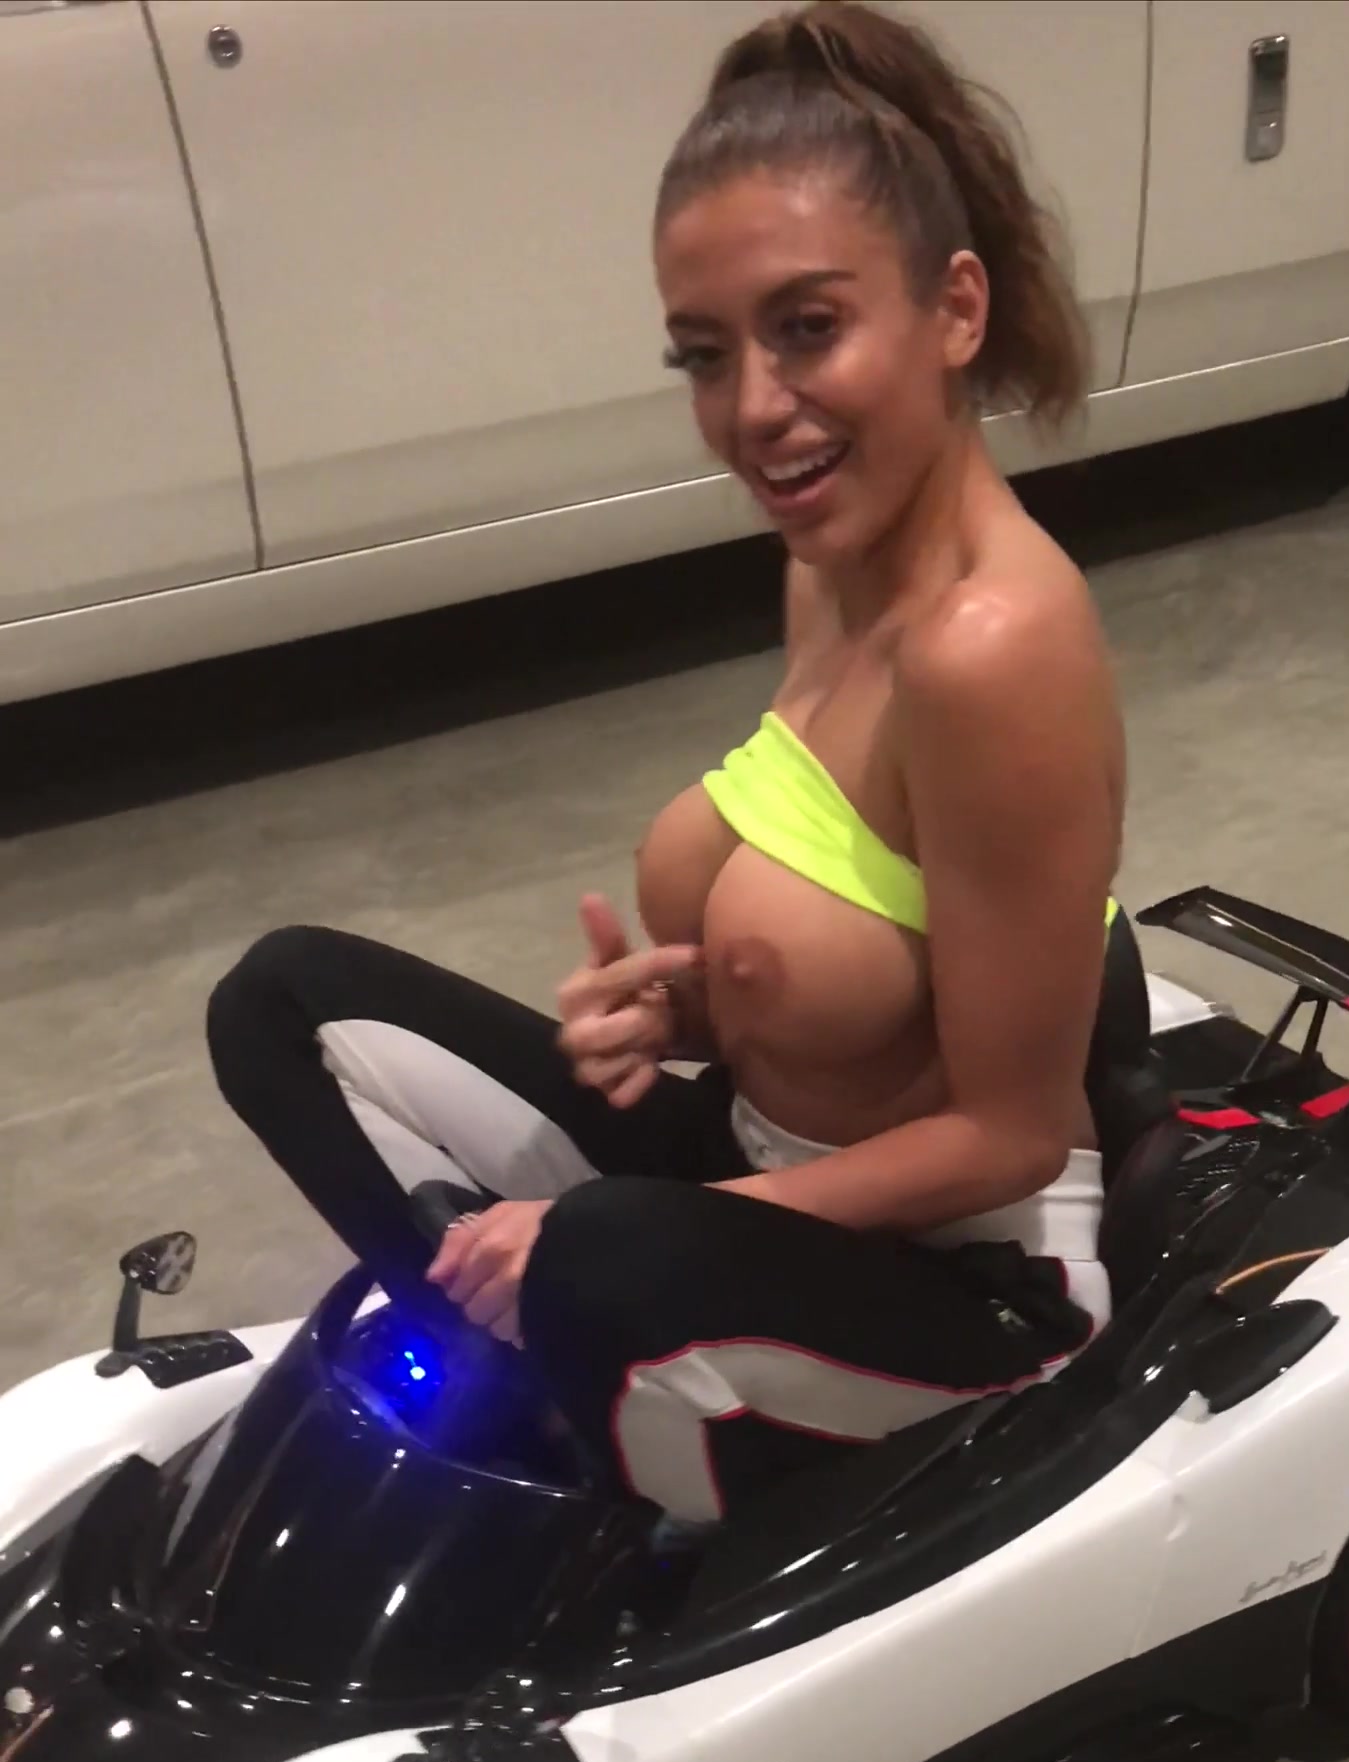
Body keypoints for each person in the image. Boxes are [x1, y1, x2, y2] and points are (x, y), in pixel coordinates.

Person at [208, 0, 1141, 1527]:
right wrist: (695, 1010)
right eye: (707, 355)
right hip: (760, 1175)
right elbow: (872, 937)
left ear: (955, 309)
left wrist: (655, 1222)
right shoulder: (830, 567)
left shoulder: (993, 648)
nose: (755, 410)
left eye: (809, 328)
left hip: (962, 1281)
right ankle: (566, 1359)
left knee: (597, 1257)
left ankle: (613, 1481)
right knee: (281, 1003)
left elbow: (1011, 1134)